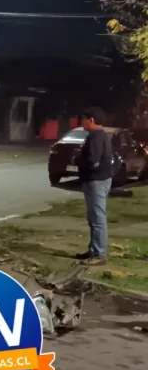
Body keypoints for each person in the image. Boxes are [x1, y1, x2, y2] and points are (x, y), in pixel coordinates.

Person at [76, 107, 112, 266]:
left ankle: (99, 253)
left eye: (83, 119)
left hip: (96, 180)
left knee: (97, 218)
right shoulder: (98, 135)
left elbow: (93, 161)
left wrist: (78, 161)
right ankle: (94, 249)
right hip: (96, 180)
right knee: (93, 218)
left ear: (91, 120)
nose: (81, 122)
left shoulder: (97, 136)